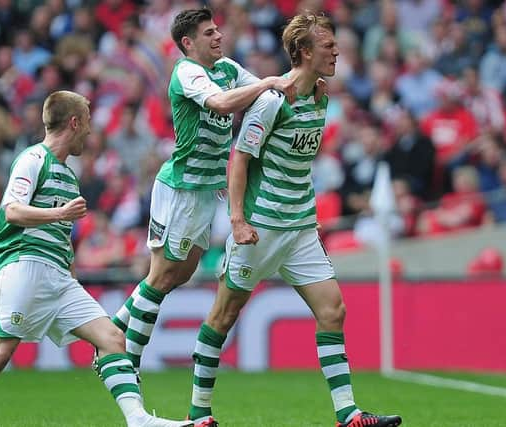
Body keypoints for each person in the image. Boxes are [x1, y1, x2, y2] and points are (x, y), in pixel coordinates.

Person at [185, 14, 402, 427]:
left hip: (301, 228)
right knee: (223, 315)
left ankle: (348, 415)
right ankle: (199, 415)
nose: (336, 51)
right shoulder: (272, 101)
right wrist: (237, 220)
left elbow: (296, 162)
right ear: (304, 52)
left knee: (333, 311)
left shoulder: (320, 97)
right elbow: (240, 160)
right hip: (260, 229)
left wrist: (305, 212)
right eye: (328, 45)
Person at [0, 90, 193, 427]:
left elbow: (61, 237)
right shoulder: (33, 159)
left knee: (113, 338)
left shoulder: (69, 177)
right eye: (86, 124)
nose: (89, 132)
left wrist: (71, 273)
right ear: (74, 123)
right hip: (23, 265)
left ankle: (138, 419)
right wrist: (57, 214)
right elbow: (12, 211)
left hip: (58, 276)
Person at [107, 8, 301, 370]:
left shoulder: (227, 68)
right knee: (162, 275)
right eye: (209, 33)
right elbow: (223, 102)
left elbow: (266, 94)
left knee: (179, 274)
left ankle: (112, 329)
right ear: (188, 42)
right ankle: (123, 360)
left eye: (217, 31)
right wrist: (269, 83)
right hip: (180, 188)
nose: (218, 37)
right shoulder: (187, 73)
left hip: (206, 190)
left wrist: (301, 80)